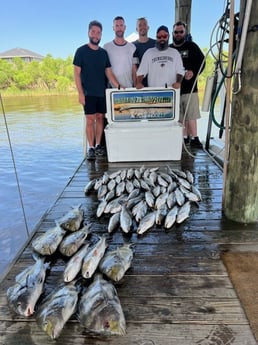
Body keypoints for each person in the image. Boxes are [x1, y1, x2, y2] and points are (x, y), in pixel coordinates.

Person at [73, 20, 121, 161]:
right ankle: (91, 148)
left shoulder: (103, 53)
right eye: (93, 32)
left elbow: (109, 72)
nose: (95, 35)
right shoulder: (81, 51)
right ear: (89, 33)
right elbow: (76, 73)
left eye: (98, 32)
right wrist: (80, 93)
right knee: (90, 120)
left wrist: (119, 86)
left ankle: (99, 145)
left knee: (100, 118)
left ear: (101, 35)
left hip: (102, 92)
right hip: (88, 93)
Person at [171, 21, 205, 149]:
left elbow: (202, 62)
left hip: (190, 88)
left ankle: (195, 138)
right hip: (175, 89)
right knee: (179, 116)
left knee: (191, 115)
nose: (178, 34)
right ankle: (184, 138)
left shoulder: (192, 46)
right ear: (172, 33)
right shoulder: (170, 49)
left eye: (181, 32)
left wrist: (194, 72)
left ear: (185, 33)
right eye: (176, 32)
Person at [135, 25, 185, 89]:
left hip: (171, 92)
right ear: (156, 37)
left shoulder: (175, 53)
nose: (162, 39)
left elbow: (180, 71)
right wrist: (139, 82)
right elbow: (141, 71)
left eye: (164, 36)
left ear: (168, 36)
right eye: (159, 37)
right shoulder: (149, 53)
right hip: (154, 93)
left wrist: (178, 82)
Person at [103, 16, 136, 87]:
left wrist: (135, 87)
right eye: (117, 26)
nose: (119, 28)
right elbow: (106, 69)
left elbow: (134, 69)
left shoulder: (132, 47)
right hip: (112, 90)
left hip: (129, 88)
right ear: (113, 28)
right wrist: (118, 86)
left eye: (121, 25)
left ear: (125, 27)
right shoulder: (106, 47)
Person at [132, 17, 156, 87]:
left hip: (155, 83)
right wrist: (136, 84)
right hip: (140, 85)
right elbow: (134, 67)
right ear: (136, 29)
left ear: (148, 27)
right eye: (140, 25)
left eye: (144, 24)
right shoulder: (132, 46)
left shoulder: (156, 44)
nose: (142, 27)